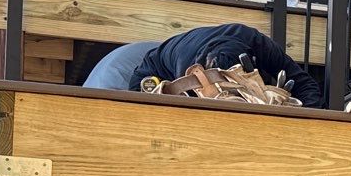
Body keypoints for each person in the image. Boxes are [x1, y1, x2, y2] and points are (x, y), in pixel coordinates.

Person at [82, 23, 323, 107]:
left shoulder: (259, 44)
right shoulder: (188, 67)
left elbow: (304, 82)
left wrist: (307, 117)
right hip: (134, 65)